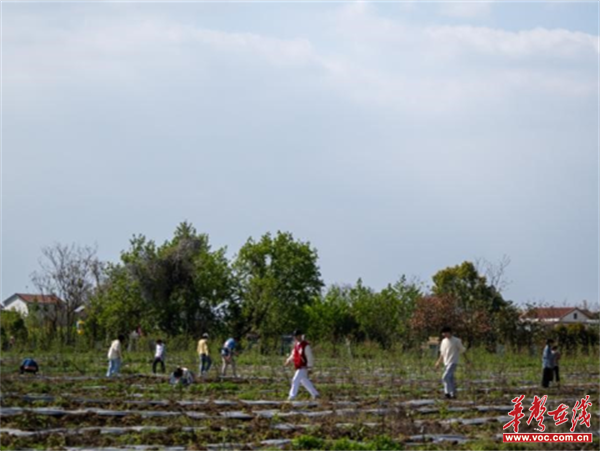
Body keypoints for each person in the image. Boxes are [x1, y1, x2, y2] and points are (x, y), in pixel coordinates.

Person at [435, 326, 469, 399]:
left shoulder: (456, 340)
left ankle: (447, 393)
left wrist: (467, 360)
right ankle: (453, 394)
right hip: (446, 362)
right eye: (443, 334)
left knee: (445, 377)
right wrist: (438, 362)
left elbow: (462, 351)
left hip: (453, 361)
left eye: (446, 333)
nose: (444, 335)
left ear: (450, 332)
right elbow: (442, 353)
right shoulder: (444, 341)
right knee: (450, 378)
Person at [284, 329, 319, 401]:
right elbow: (293, 355)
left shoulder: (305, 345)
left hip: (303, 367)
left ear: (300, 336)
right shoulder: (296, 345)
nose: (296, 338)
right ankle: (315, 394)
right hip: (298, 366)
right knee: (304, 381)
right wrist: (288, 360)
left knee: (295, 379)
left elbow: (309, 357)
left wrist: (309, 368)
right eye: (295, 336)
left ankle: (292, 396)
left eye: (297, 336)